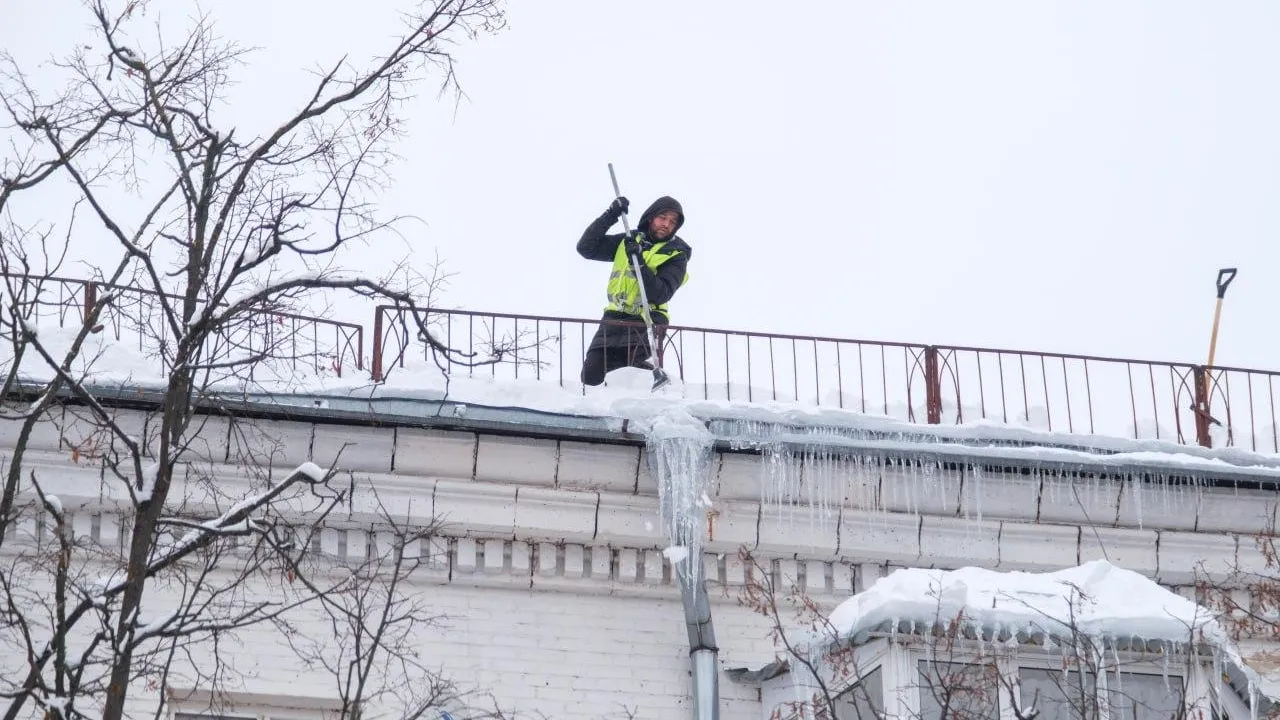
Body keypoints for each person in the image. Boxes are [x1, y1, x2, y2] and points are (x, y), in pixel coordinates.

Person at [576, 194, 692, 386]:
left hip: (647, 320)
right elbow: (586, 248)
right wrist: (610, 214)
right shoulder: (628, 241)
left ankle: (661, 384)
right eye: (662, 218)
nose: (666, 224)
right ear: (651, 217)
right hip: (613, 319)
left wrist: (639, 261)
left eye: (672, 222)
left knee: (632, 373)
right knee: (591, 375)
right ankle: (606, 410)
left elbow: (660, 293)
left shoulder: (677, 255)